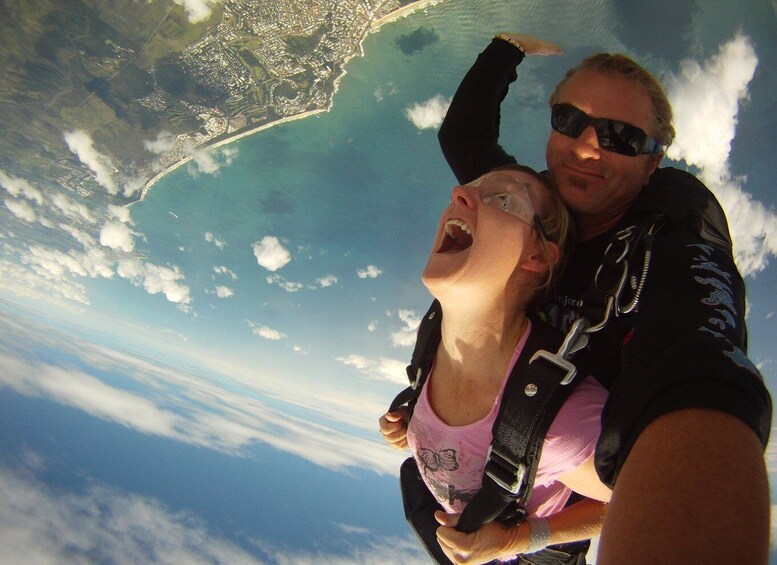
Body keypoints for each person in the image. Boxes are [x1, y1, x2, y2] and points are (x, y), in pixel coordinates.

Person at [436, 32, 772, 564]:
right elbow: (464, 137)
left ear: (653, 161)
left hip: (559, 513)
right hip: (475, 470)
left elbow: (699, 345)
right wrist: (505, 49)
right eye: (570, 120)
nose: (587, 147)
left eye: (621, 137)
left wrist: (527, 538)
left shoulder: (673, 224)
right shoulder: (528, 204)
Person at [381, 166, 611, 564]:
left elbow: (630, 502)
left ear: (537, 256)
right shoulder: (431, 342)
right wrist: (413, 422)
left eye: (503, 199)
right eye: (467, 191)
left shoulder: (561, 420)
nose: (457, 194)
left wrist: (517, 541)